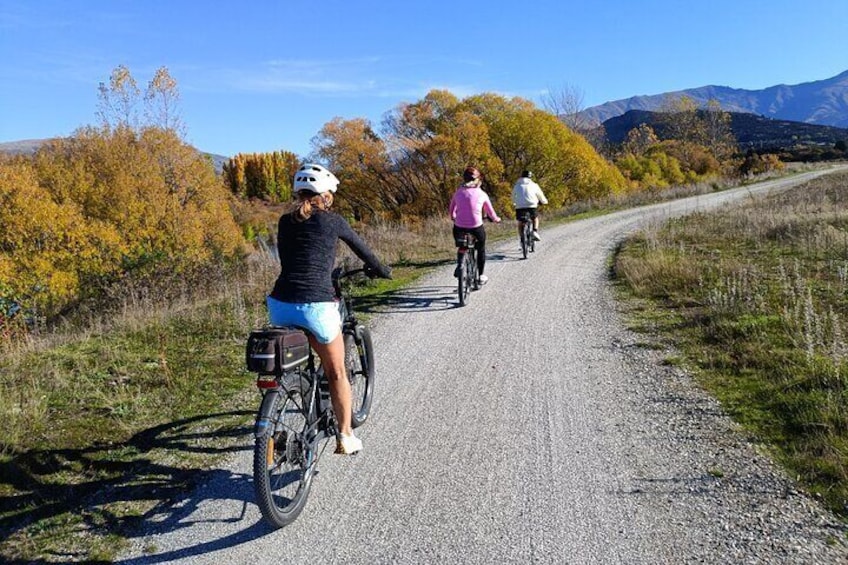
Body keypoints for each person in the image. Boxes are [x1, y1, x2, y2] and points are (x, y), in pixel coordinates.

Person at [267, 163, 391, 455]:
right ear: (326, 196)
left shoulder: (285, 222)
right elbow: (363, 251)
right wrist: (382, 269)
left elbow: (293, 260)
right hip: (316, 306)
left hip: (279, 304)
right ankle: (346, 436)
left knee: (299, 357)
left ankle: (291, 393)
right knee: (337, 373)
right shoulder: (333, 221)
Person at [449, 166, 501, 284]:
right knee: (481, 249)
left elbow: (451, 210)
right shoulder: (481, 194)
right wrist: (496, 219)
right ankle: (481, 275)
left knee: (461, 246)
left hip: (459, 227)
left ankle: (460, 265)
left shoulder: (458, 193)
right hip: (476, 227)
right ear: (478, 180)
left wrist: (454, 217)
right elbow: (490, 212)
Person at [511, 170, 548, 241]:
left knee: (520, 222)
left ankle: (522, 238)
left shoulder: (517, 185)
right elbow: (540, 195)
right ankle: (534, 231)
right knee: (535, 218)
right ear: (530, 177)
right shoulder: (534, 185)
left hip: (520, 207)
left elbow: (513, 196)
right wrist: (544, 202)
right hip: (532, 205)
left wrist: (514, 203)